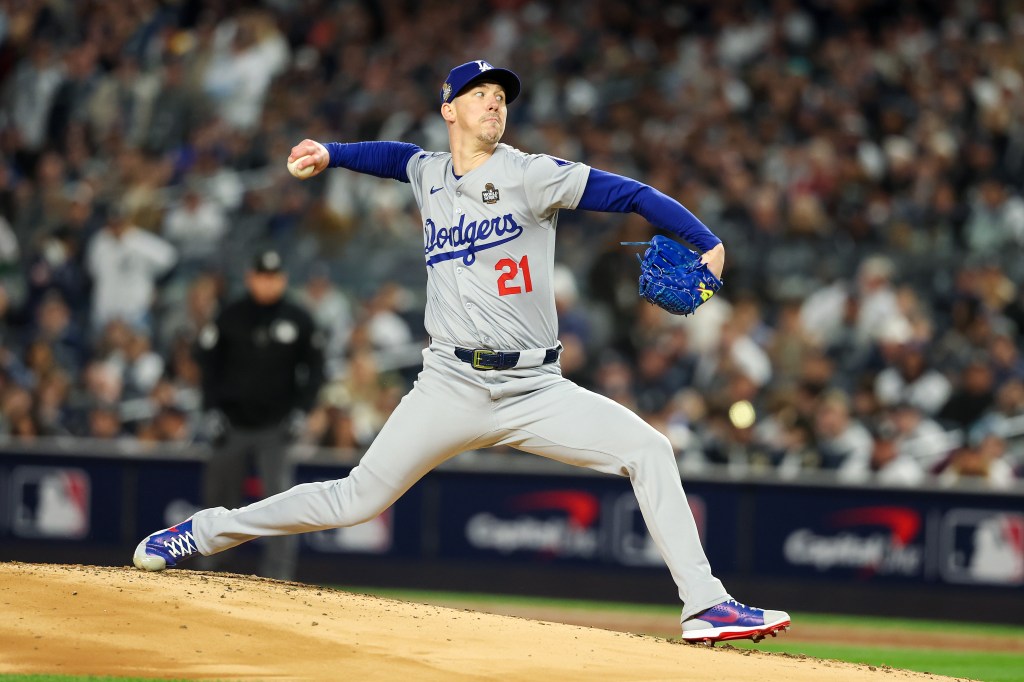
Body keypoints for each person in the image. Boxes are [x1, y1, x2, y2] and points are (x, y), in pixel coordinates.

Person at [134, 60, 789, 643]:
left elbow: (632, 195)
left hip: (537, 389)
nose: (496, 103)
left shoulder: (531, 175)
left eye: (502, 96)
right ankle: (207, 529)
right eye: (481, 94)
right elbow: (395, 157)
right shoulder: (428, 173)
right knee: (356, 499)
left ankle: (706, 604)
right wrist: (331, 153)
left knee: (649, 449)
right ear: (450, 108)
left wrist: (704, 238)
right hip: (449, 384)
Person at [192, 249, 325, 579]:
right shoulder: (230, 315)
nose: (267, 284)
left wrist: (301, 411)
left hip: (276, 427)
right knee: (218, 498)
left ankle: (278, 575)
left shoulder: (299, 318)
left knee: (280, 503)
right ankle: (210, 570)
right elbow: (208, 367)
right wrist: (210, 410)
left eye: (274, 277)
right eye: (262, 277)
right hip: (231, 424)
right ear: (251, 278)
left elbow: (317, 369)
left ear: (283, 280)